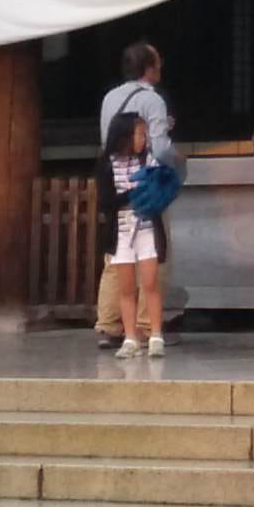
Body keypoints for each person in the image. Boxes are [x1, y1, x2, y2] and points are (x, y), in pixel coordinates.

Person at [92, 42, 175, 349]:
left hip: (115, 181)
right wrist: (174, 167)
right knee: (154, 257)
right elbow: (161, 147)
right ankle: (144, 325)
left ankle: (109, 322)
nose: (161, 68)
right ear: (149, 68)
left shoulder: (109, 98)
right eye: (158, 63)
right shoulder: (153, 101)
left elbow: (107, 140)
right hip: (145, 185)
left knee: (115, 257)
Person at [96, 103, 169, 359]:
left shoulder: (148, 160)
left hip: (147, 226)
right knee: (126, 287)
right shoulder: (107, 164)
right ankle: (130, 337)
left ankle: (156, 334)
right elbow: (105, 203)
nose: (144, 139)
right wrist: (131, 194)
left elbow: (160, 185)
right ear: (126, 136)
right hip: (122, 230)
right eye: (139, 134)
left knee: (149, 282)